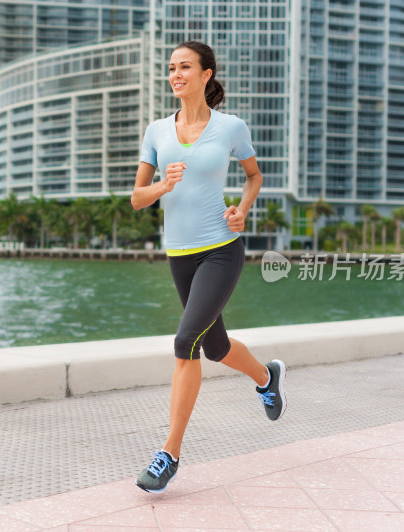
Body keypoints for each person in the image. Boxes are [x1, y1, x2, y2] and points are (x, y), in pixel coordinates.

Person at [130, 41, 287, 494]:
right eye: (171, 69)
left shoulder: (231, 127)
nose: (175, 74)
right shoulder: (157, 131)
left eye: (184, 67)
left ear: (206, 74)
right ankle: (266, 377)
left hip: (221, 248)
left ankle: (169, 454)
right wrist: (162, 184)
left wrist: (243, 208)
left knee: (186, 342)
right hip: (179, 254)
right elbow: (137, 198)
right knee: (214, 346)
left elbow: (253, 175)